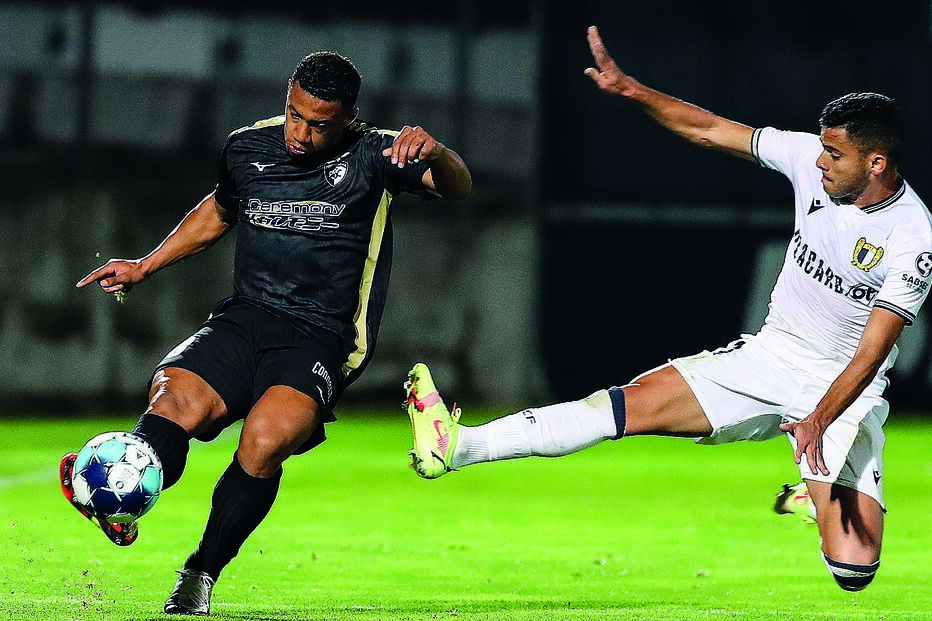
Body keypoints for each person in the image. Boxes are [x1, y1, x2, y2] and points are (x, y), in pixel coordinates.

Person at [403, 25, 932, 592]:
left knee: (853, 571)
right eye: (821, 146)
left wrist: (819, 420)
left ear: (876, 163)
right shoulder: (809, 159)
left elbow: (873, 354)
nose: (820, 160)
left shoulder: (911, 237)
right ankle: (458, 445)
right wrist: (632, 89)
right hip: (771, 356)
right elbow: (708, 130)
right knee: (625, 406)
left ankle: (815, 491)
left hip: (844, 388)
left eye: (835, 152)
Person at [60, 50, 471, 615]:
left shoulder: (377, 154)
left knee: (263, 442)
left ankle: (200, 572)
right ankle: (123, 495)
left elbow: (457, 187)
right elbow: (219, 211)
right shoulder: (248, 146)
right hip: (246, 316)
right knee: (174, 398)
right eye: (293, 113)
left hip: (320, 335)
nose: (300, 133)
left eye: (318, 123)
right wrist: (143, 265)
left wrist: (439, 152)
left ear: (348, 117)